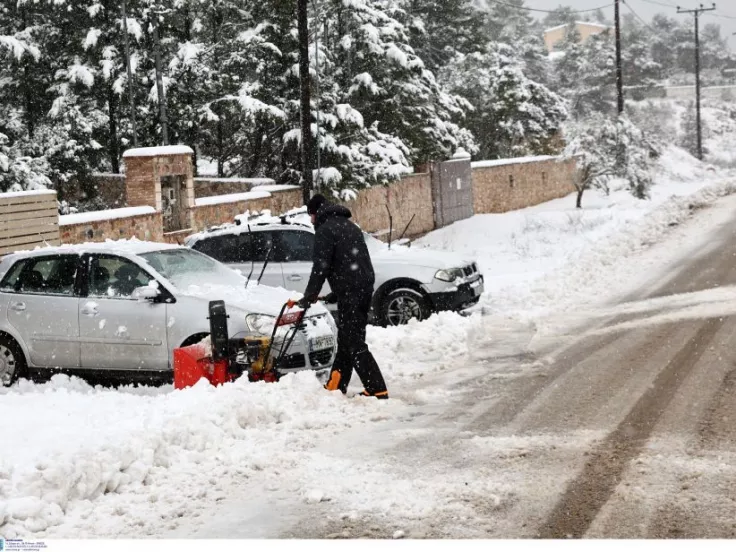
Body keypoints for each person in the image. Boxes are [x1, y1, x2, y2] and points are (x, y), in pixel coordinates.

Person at [291, 194, 389, 399]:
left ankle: (377, 388)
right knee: (346, 339)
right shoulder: (350, 226)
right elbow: (355, 263)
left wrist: (309, 296)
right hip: (363, 289)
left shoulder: (325, 231)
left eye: (311, 215)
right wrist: (338, 292)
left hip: (352, 293)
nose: (310, 221)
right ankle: (336, 385)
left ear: (316, 212)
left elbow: (321, 267)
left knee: (354, 342)